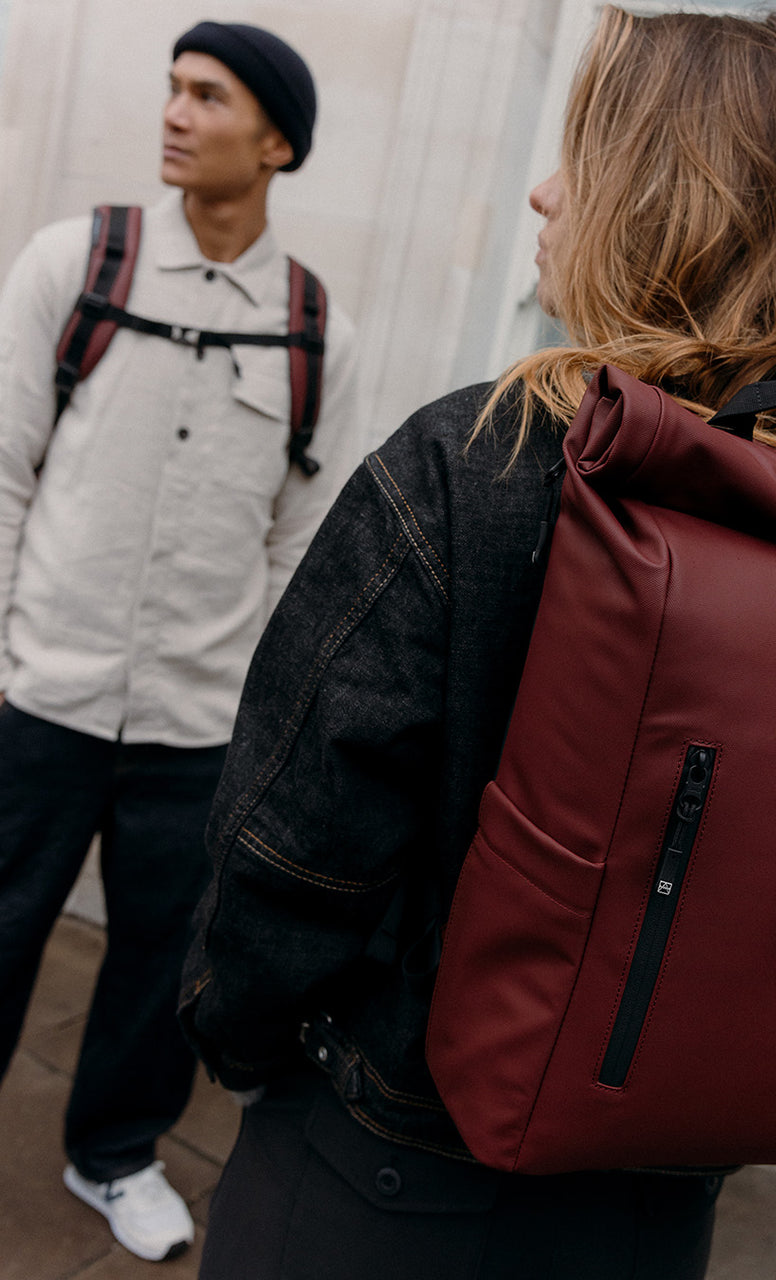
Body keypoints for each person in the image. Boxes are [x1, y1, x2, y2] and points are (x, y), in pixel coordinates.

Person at [179, 8, 776, 1279]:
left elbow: (289, 847)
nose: (546, 193)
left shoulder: (482, 459)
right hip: (655, 1203)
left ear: (658, 196)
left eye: (585, 153)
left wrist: (243, 1045)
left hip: (383, 1171)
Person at [0, 20, 358, 1265]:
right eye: (171, 88)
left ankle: (113, 1154)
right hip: (40, 694)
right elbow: (1, 473)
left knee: (164, 965)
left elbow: (301, 544)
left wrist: (249, 700)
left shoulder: (317, 329)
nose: (174, 111)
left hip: (197, 728)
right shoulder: (75, 262)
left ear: (275, 142)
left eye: (207, 97)